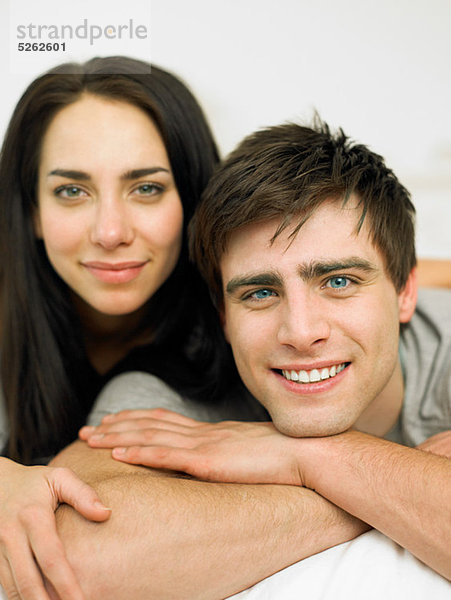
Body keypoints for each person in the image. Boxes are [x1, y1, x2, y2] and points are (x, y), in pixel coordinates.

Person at [79, 120, 451, 590]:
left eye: (338, 282)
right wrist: (405, 487)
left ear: (405, 292)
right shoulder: (166, 393)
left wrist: (311, 459)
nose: (300, 331)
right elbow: (83, 558)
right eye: (259, 293)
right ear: (224, 317)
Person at [0, 54, 252, 599]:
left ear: (193, 200)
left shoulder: (258, 329)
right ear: (31, 214)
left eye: (147, 188)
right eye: (72, 191)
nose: (110, 231)